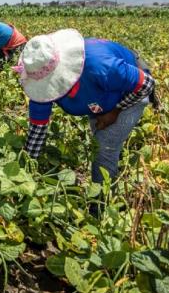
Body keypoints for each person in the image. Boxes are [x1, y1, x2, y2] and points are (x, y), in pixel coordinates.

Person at [15, 29, 156, 185]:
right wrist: (23, 175)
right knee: (100, 139)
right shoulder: (39, 80)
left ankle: (101, 200)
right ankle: (111, 172)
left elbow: (147, 84)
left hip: (129, 94)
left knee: (104, 146)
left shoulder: (101, 67)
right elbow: (37, 132)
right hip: (97, 99)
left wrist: (115, 111)